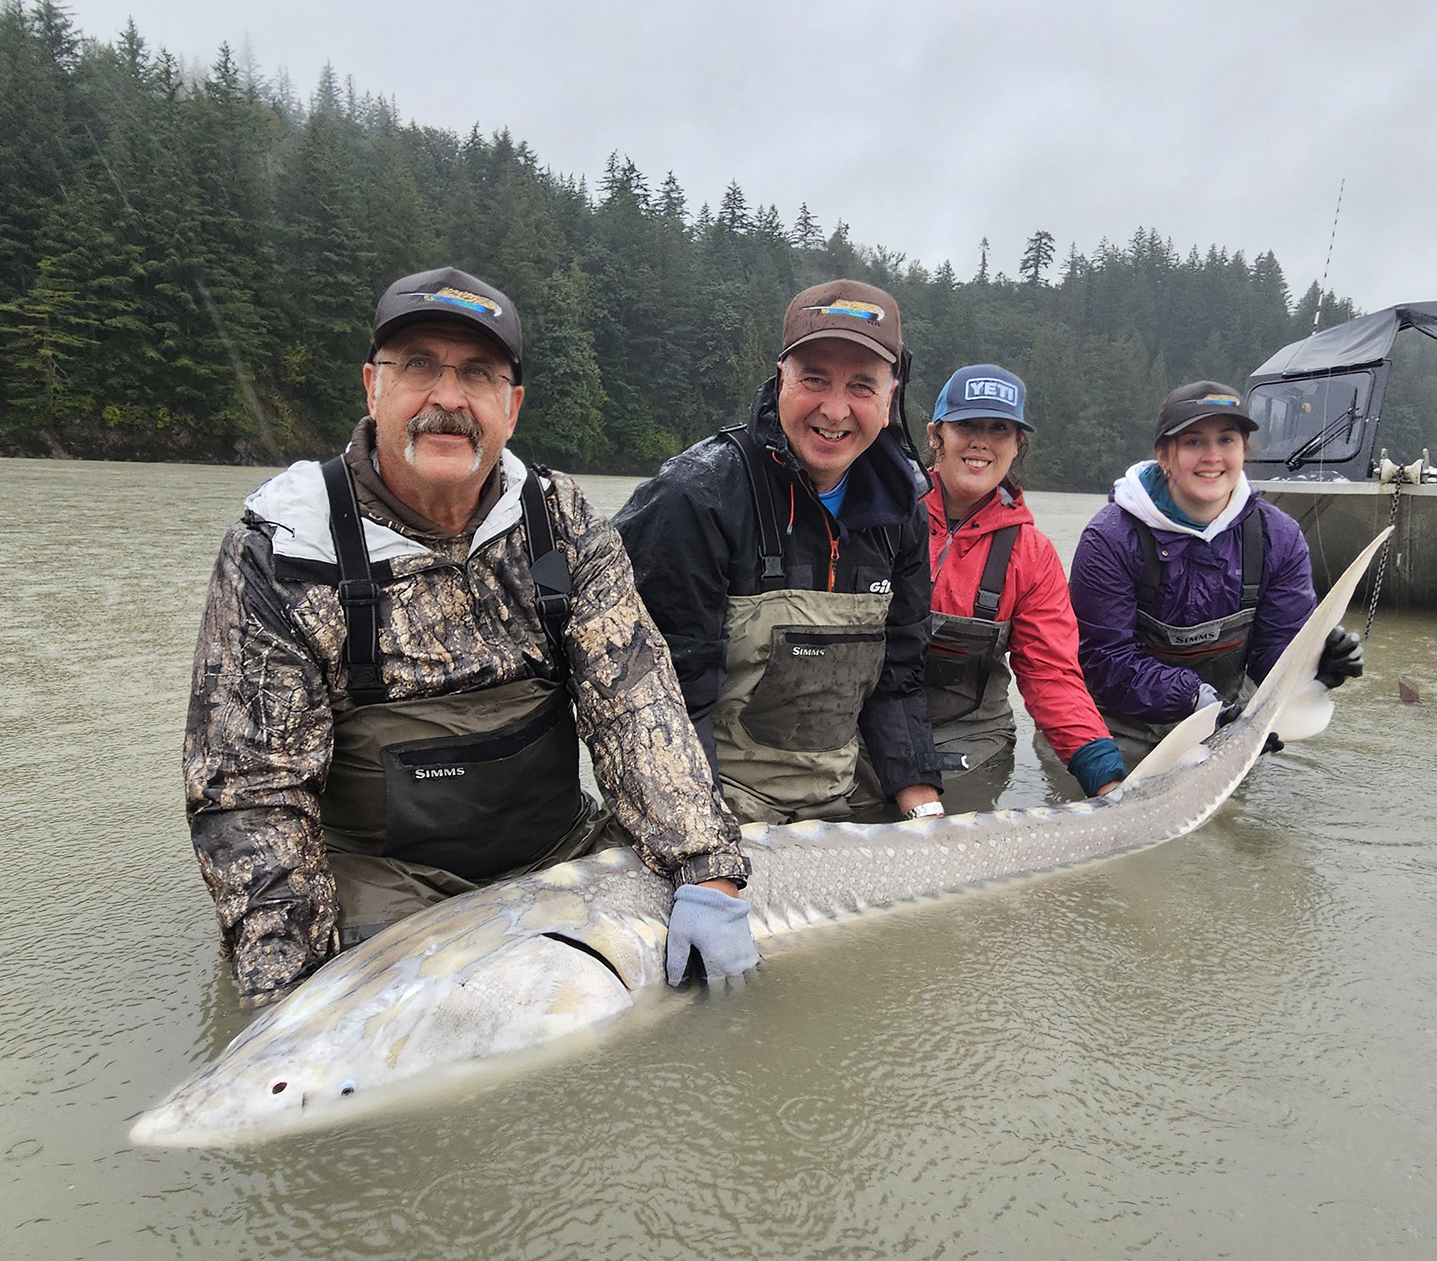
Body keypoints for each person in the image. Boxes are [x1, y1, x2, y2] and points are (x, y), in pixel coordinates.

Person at [184, 267, 757, 1008]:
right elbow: (252, 793)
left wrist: (706, 867)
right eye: (419, 365)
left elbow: (636, 708)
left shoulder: (561, 526)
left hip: (555, 851)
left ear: (510, 407)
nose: (448, 398)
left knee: (703, 968)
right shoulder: (287, 552)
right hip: (381, 884)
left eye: (478, 374)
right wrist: (291, 996)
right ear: (373, 387)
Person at [613, 279, 943, 825]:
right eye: (814, 379)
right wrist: (703, 852)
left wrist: (925, 810)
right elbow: (665, 703)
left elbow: (897, 677)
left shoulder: (902, 507)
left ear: (891, 396)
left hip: (839, 801)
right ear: (781, 378)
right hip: (715, 805)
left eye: (862, 386)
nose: (835, 410)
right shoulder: (697, 497)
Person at [1069, 380, 1363, 765]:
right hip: (1119, 731)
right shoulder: (1109, 539)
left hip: (1225, 724)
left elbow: (1273, 652)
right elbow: (1105, 660)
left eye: (1227, 440)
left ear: (1244, 451)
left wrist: (1317, 669)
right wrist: (1197, 700)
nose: (1212, 456)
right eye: (1193, 442)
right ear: (1164, 455)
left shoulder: (1278, 537)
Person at [920, 364, 1127, 803]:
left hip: (970, 745)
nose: (981, 441)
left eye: (999, 428)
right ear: (936, 434)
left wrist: (1106, 777)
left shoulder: (1032, 554)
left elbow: (1052, 675)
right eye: (966, 424)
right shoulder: (880, 517)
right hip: (863, 731)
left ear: (1018, 446)